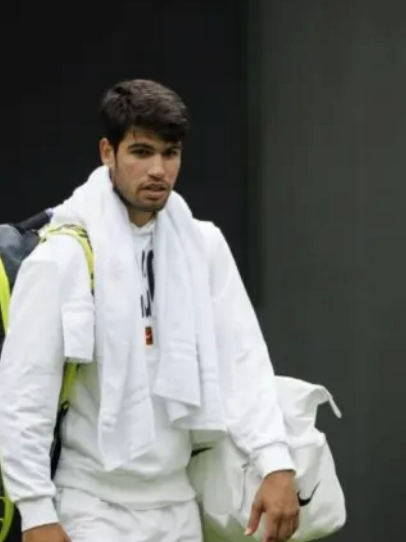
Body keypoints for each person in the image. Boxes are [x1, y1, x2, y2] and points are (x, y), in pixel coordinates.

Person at [0, 79, 300, 542]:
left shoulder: (204, 246)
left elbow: (242, 361)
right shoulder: (62, 257)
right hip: (89, 505)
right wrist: (37, 512)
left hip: (178, 504)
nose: (158, 169)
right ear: (107, 152)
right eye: (141, 152)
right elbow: (23, 395)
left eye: (170, 153)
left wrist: (276, 462)